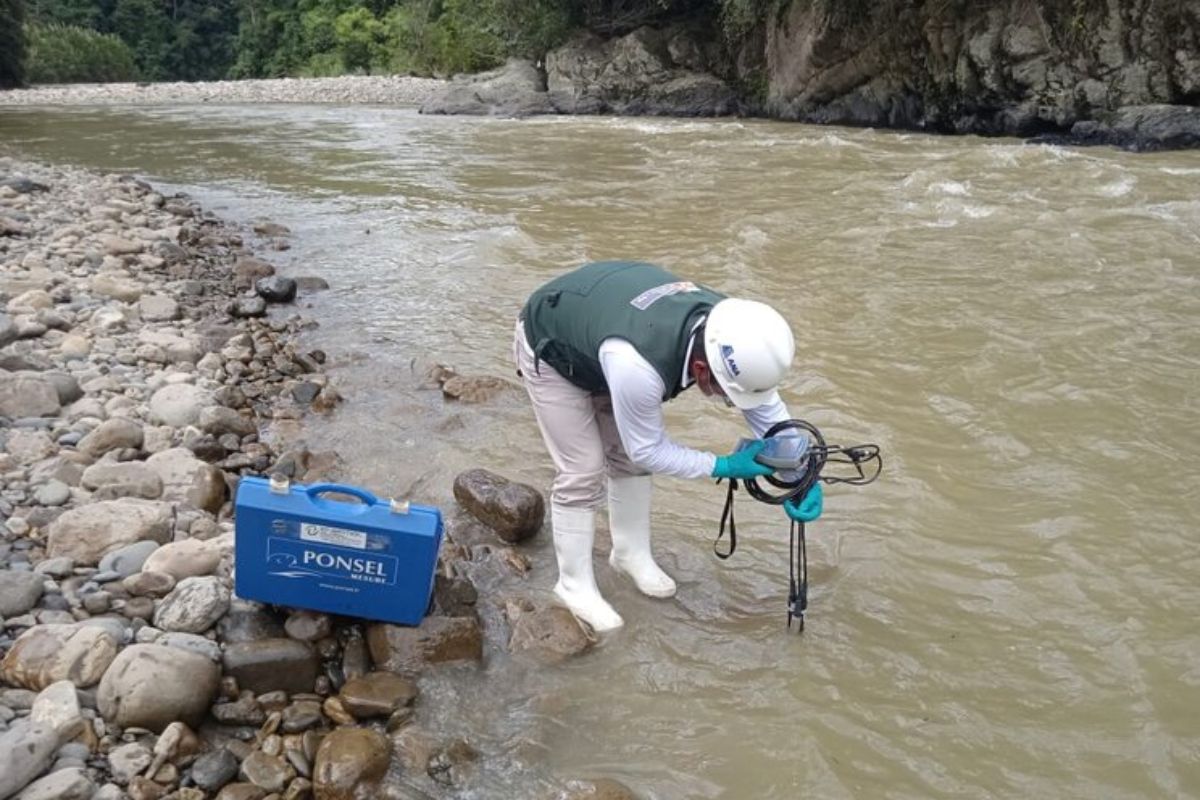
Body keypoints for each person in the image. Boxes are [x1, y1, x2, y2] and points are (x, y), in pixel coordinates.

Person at [513, 260, 822, 632]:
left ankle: (629, 554)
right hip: (553, 345)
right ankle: (573, 586)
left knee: (625, 456)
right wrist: (724, 465)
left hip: (605, 329)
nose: (731, 404)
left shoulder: (733, 330)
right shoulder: (637, 365)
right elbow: (648, 449)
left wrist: (801, 471)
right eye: (729, 397)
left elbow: (768, 413)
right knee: (584, 468)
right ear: (702, 370)